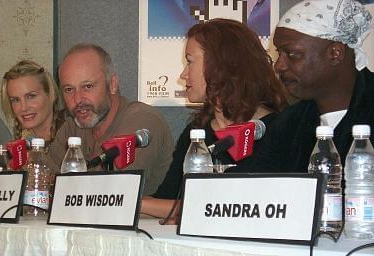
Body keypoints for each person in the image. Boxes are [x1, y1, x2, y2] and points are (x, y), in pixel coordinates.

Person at [141, 18, 288, 219]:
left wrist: (136, 202)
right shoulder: (196, 133)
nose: (183, 75)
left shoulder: (278, 129)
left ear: (221, 64)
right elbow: (168, 199)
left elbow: (232, 209)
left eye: (190, 62)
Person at [248, 0, 374, 173]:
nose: (279, 66)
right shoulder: (288, 124)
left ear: (335, 53)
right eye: (279, 53)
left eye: (292, 54)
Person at [46, 43, 174, 195]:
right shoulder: (72, 127)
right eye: (69, 90)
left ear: (112, 84)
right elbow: (43, 184)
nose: (77, 99)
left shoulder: (143, 121)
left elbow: (113, 194)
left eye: (88, 86)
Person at [1, 60, 65, 145]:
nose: (23, 107)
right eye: (15, 100)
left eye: (31, 96)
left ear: (50, 94)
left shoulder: (72, 138)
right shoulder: (19, 145)